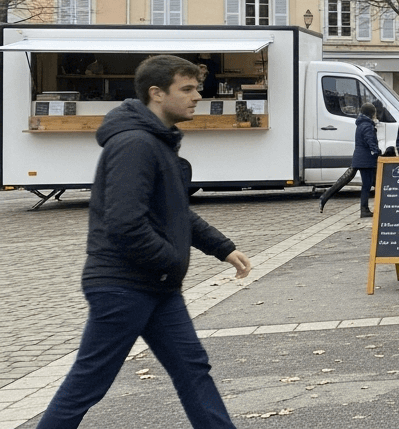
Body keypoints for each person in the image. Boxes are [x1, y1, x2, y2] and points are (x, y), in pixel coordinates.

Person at [37, 55, 253, 429]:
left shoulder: (156, 141)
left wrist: (222, 247)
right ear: (157, 93)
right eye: (187, 89)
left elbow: (174, 212)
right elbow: (125, 223)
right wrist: (171, 259)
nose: (197, 96)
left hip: (155, 285)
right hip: (123, 286)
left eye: (197, 88)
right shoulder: (135, 144)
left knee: (192, 370)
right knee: (87, 385)